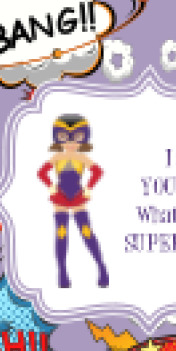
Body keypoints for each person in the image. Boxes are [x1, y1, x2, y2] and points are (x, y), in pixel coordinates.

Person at [38, 114, 109, 289]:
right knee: (61, 233)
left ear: (84, 138)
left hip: (78, 196)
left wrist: (89, 187)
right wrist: (51, 186)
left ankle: (101, 267)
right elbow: (41, 173)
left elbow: (98, 172)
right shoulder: (56, 158)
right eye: (64, 137)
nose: (70, 142)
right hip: (60, 197)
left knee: (86, 231)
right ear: (57, 137)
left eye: (77, 137)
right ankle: (62, 271)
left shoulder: (82, 158)